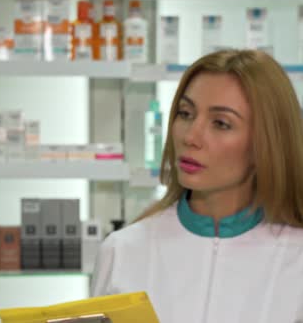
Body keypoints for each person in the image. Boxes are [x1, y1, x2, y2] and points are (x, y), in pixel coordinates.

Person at [91, 49, 303, 323]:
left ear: (266, 141)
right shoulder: (122, 251)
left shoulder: (296, 259)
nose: (191, 136)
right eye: (186, 113)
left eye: (221, 123)